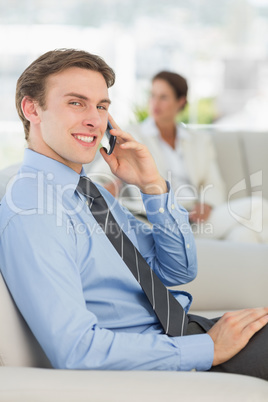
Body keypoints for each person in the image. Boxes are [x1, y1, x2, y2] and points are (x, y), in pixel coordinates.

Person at [0, 49, 267, 379]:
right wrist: (208, 348)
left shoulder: (87, 193)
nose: (95, 120)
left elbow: (178, 270)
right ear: (31, 109)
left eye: (101, 106)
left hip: (181, 334)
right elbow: (77, 349)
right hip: (164, 354)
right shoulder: (34, 211)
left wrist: (153, 186)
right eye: (76, 103)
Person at [89, 71, 268, 243]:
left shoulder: (200, 141)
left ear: (180, 101)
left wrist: (207, 205)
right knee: (257, 207)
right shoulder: (132, 135)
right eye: (153, 95)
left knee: (245, 235)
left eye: (164, 97)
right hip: (154, 220)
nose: (155, 103)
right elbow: (97, 177)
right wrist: (108, 187)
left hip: (195, 221)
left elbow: (213, 183)